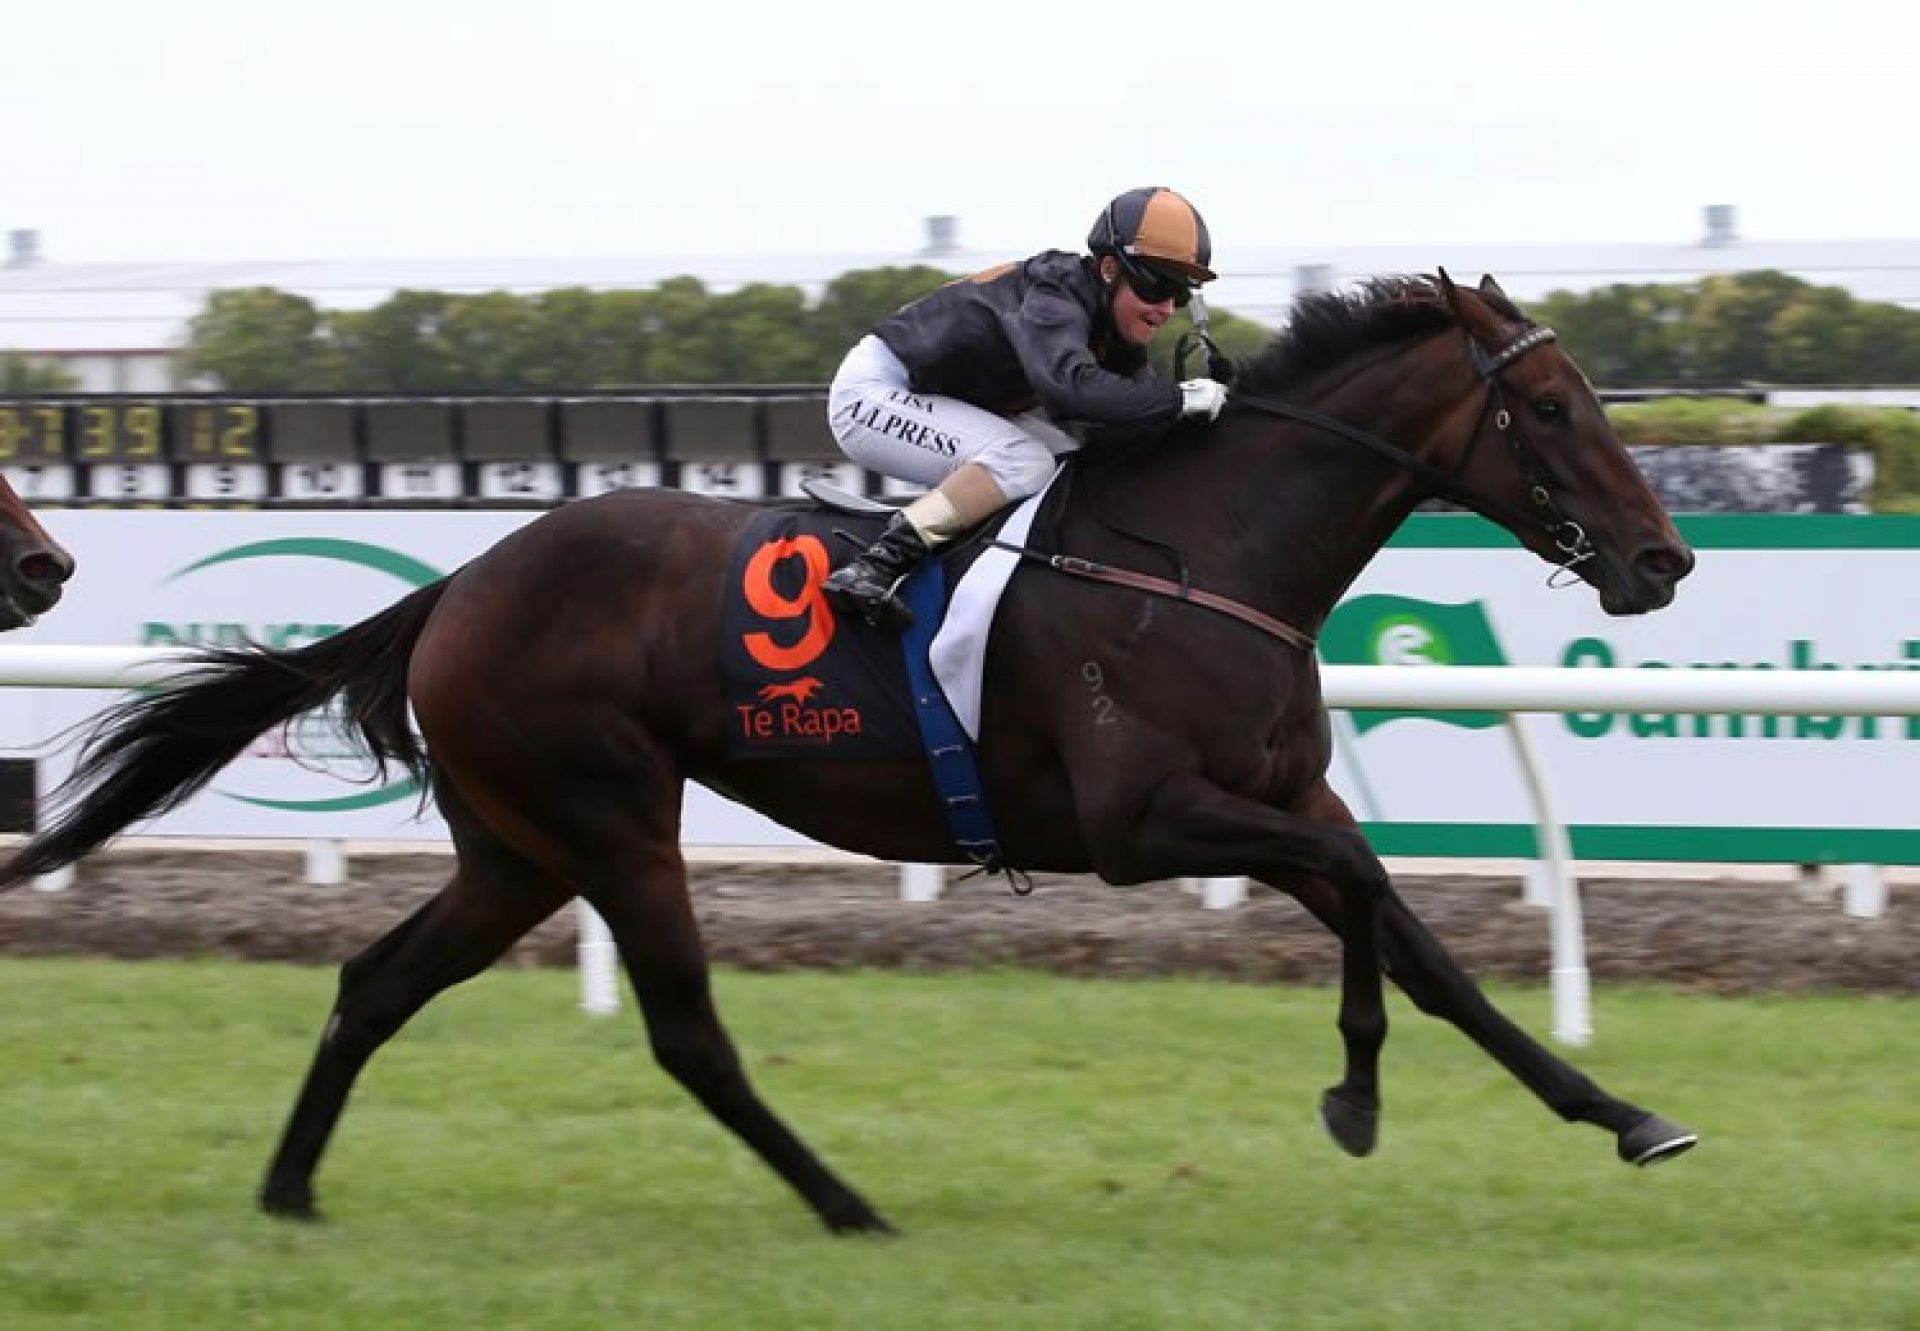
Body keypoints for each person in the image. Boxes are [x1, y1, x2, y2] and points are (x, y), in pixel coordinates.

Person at [819, 185, 1231, 628]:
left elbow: (1129, 423)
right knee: (1024, 460)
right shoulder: (1055, 293)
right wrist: (1180, 398)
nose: (1166, 308)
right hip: (875, 392)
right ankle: (877, 564)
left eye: (1180, 295)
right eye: (1156, 286)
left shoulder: (1112, 322)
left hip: (937, 396)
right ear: (1109, 267)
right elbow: (1070, 389)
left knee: (1072, 466)